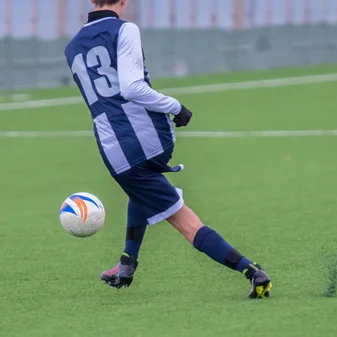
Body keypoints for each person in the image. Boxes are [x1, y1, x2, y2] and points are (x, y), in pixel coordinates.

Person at [64, 0, 272, 297]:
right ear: (123, 1)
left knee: (140, 186)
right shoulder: (125, 29)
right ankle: (252, 272)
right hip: (144, 139)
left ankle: (127, 264)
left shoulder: (71, 48)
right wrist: (176, 106)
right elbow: (132, 87)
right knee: (187, 223)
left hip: (113, 148)